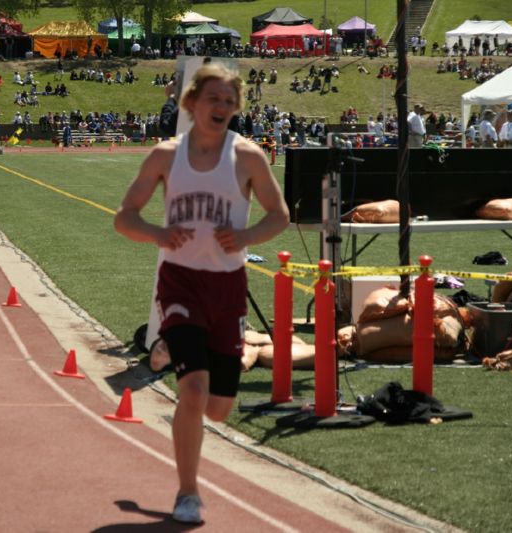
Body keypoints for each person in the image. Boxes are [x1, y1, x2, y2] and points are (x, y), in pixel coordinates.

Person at [113, 63, 289, 524]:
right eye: (214, 99)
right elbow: (124, 217)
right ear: (192, 103)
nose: (222, 108)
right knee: (192, 391)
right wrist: (157, 232)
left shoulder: (248, 156)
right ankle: (187, 493)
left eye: (230, 101)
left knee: (218, 409)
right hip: (181, 280)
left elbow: (280, 216)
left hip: (227, 287)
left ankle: (170, 344)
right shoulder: (165, 156)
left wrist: (247, 236)